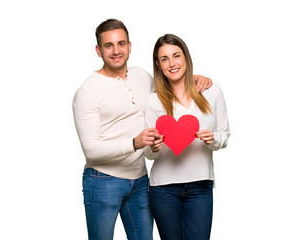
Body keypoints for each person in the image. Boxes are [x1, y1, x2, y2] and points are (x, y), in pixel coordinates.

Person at [72, 19, 212, 240]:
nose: (116, 50)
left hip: (140, 180)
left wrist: (196, 79)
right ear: (99, 50)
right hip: (102, 180)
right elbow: (90, 150)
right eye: (109, 45)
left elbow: (171, 88)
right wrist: (134, 143)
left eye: (121, 43)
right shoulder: (87, 92)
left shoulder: (142, 76)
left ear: (129, 46)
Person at [144, 34, 230, 240]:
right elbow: (148, 153)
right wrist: (154, 147)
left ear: (186, 58)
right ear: (158, 64)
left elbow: (224, 135)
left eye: (176, 56)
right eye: (164, 59)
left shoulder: (212, 92)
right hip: (163, 189)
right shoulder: (153, 100)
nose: (172, 63)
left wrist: (213, 139)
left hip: (201, 186)